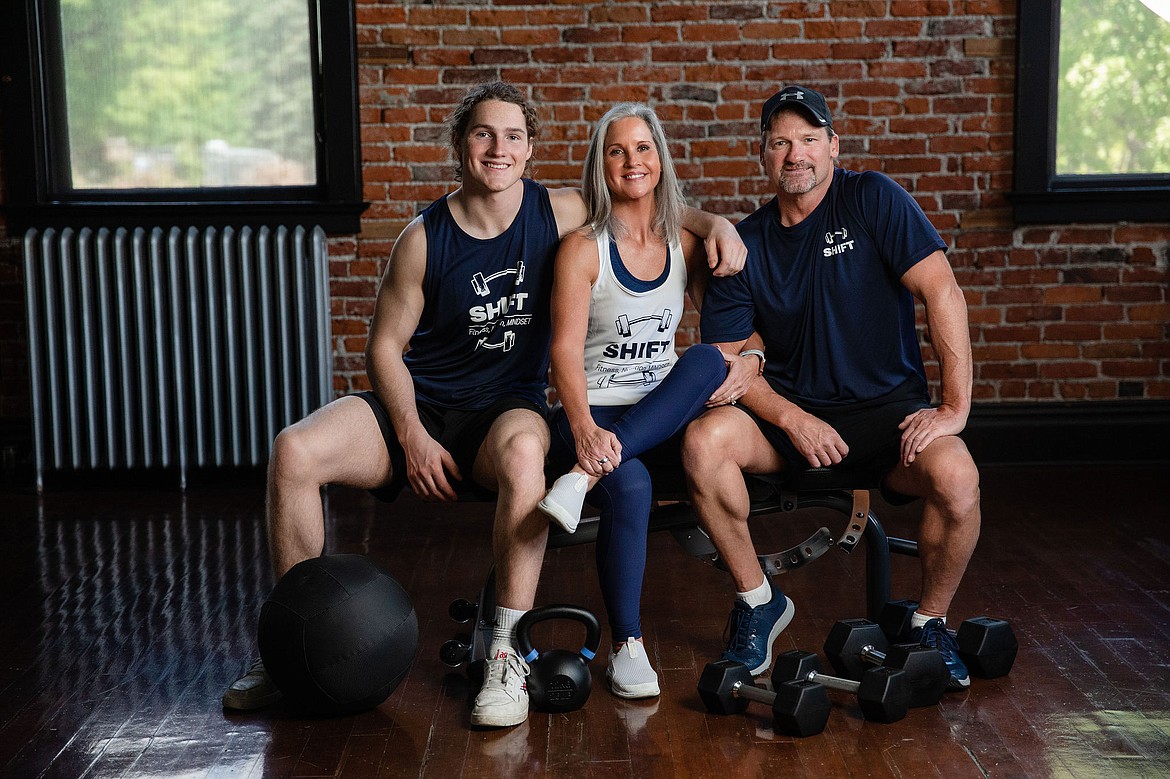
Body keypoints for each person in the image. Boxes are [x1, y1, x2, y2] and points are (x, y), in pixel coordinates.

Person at [221, 81, 746, 728]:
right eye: (483, 134)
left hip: (504, 409)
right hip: (421, 406)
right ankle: (285, 651)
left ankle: (505, 652)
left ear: (529, 151)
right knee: (293, 449)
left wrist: (715, 222)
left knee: (528, 452)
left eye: (514, 136)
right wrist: (410, 433)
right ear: (460, 147)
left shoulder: (555, 211)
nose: (499, 148)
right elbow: (385, 347)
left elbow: (648, 194)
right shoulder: (422, 236)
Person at [683, 85, 981, 690]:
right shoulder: (748, 243)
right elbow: (729, 362)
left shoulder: (872, 199)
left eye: (810, 140)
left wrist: (953, 408)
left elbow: (942, 292)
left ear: (833, 146)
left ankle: (928, 622)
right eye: (781, 142)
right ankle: (757, 600)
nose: (797, 154)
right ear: (763, 154)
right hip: (790, 419)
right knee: (703, 441)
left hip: (887, 418)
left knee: (957, 477)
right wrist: (792, 418)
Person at [537, 103, 759, 699]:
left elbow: (740, 331)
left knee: (710, 358)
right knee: (630, 485)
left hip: (655, 416)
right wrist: (583, 431)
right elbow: (561, 352)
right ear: (600, 165)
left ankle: (581, 481)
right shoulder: (584, 248)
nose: (631, 161)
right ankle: (628, 646)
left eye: (642, 148)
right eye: (617, 150)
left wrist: (718, 227)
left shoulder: (686, 245)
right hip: (591, 418)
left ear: (659, 160)